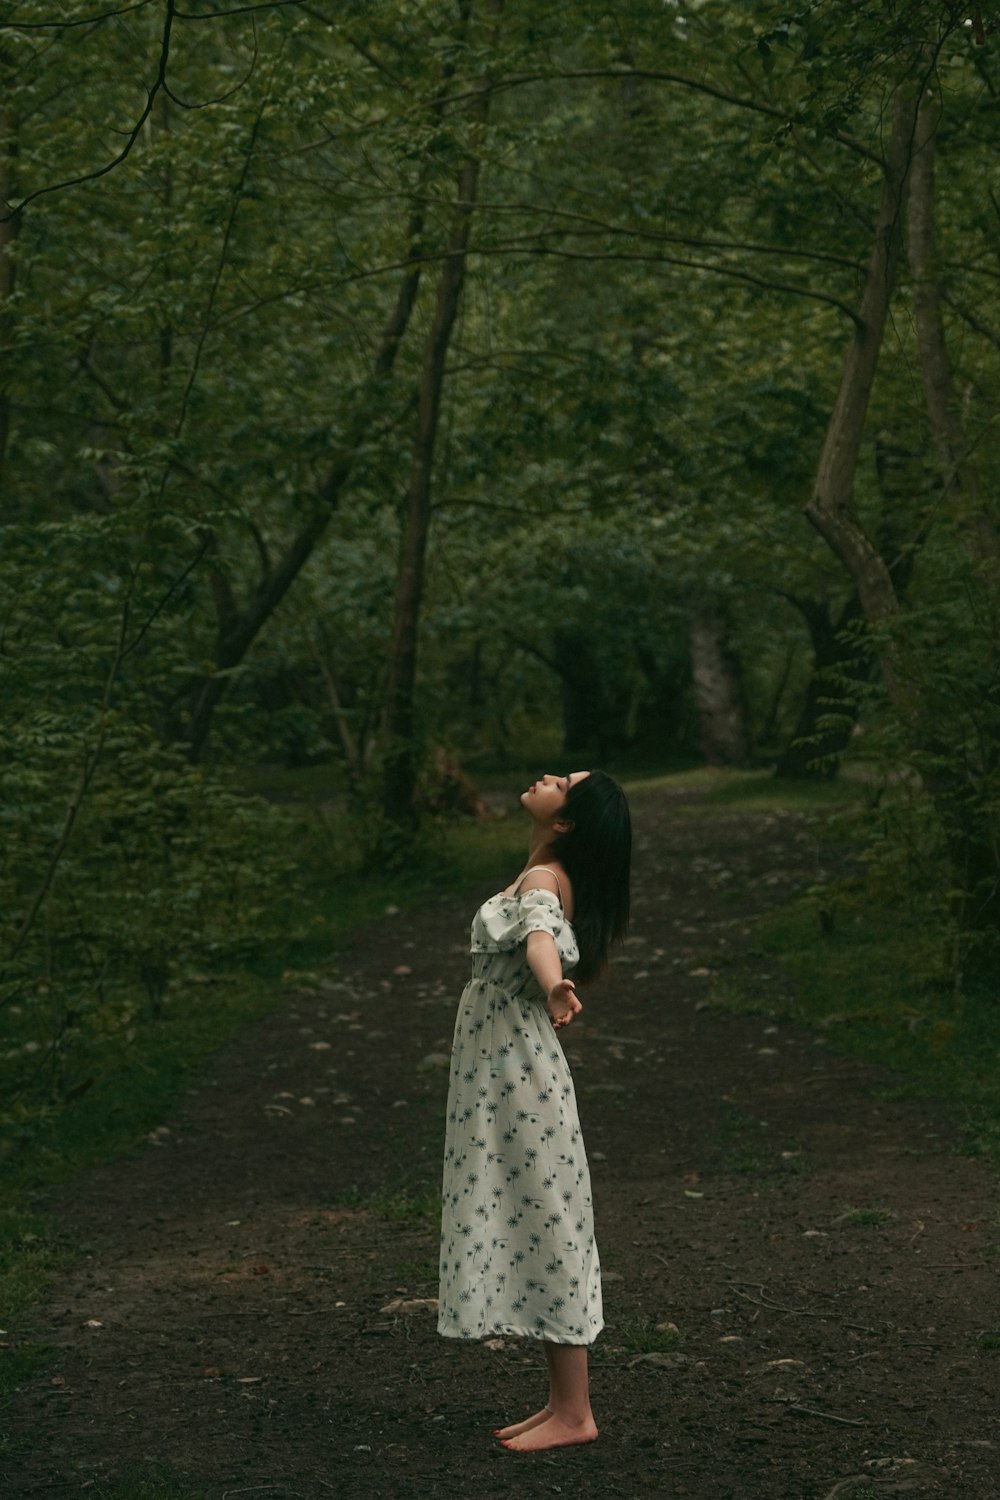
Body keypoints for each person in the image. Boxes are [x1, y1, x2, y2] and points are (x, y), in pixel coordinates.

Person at [437, 769, 632, 1452]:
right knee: (534, 1212)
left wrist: (554, 986)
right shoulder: (541, 870)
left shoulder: (544, 881)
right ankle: (561, 1403)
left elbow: (540, 937)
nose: (550, 775)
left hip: (518, 1074)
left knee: (546, 1217)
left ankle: (575, 1413)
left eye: (565, 781)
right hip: (504, 1071)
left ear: (567, 821)